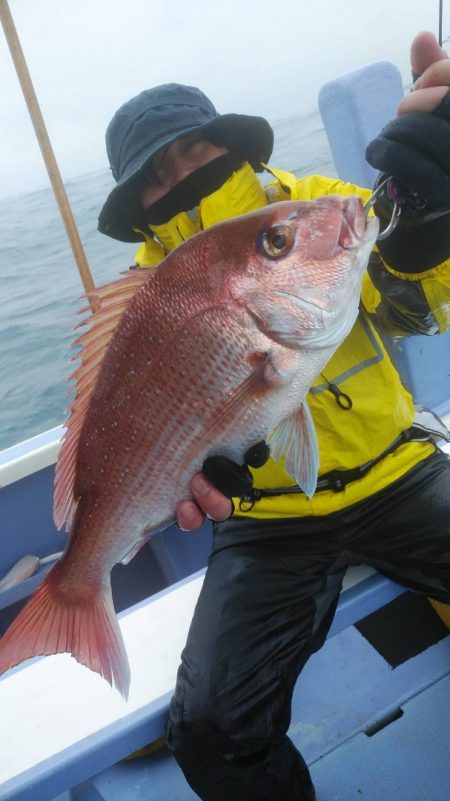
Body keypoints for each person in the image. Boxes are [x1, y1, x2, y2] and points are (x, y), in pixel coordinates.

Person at [98, 32, 450, 801]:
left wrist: (427, 222)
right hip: (267, 517)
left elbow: (413, 306)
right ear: (138, 206)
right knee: (211, 728)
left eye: (197, 149)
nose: (187, 175)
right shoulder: (143, 301)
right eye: (159, 174)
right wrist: (192, 460)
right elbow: (136, 423)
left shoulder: (317, 209)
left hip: (398, 469)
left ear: (232, 140)